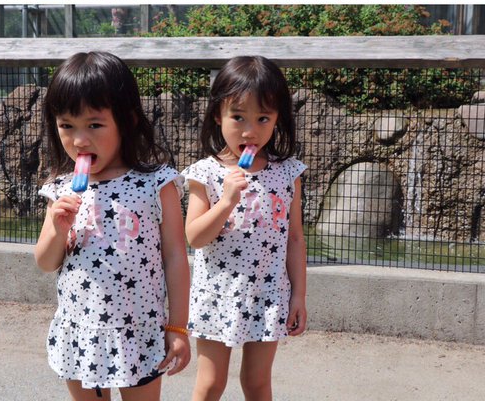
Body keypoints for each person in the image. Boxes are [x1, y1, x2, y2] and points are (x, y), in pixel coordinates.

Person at [34, 50, 191, 400]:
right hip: (81, 328)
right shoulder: (60, 189)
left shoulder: (156, 184)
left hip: (139, 329)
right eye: (67, 126)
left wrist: (178, 327)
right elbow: (45, 263)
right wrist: (58, 228)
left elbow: (176, 257)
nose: (79, 141)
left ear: (128, 120)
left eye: (94, 125)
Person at [183, 56, 306, 401]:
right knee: (210, 384)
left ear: (277, 119)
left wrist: (298, 295)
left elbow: (295, 237)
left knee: (256, 384)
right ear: (217, 116)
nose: (250, 131)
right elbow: (194, 236)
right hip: (216, 296)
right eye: (238, 117)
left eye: (263, 118)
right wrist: (225, 202)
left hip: (268, 295)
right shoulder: (204, 173)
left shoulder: (287, 173)